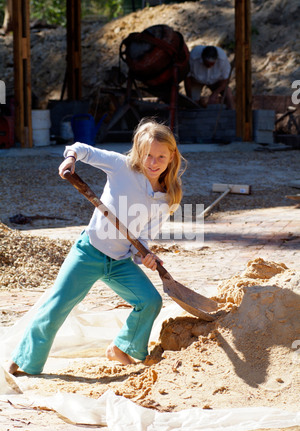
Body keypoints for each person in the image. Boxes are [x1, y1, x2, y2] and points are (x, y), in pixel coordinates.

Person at [8, 118, 185, 375]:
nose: (153, 162)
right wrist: (70, 158)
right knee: (57, 306)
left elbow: (143, 238)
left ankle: (121, 348)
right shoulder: (121, 167)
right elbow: (83, 148)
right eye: (148, 155)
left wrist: (145, 256)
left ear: (171, 157)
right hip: (88, 252)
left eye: (160, 157)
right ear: (138, 151)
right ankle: (27, 360)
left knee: (150, 301)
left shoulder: (167, 198)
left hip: (119, 262)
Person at [184, 45, 234, 109]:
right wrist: (189, 97)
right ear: (202, 58)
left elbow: (226, 80)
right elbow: (187, 78)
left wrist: (215, 94)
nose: (209, 66)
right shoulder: (193, 57)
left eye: (212, 64)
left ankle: (232, 113)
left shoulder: (222, 59)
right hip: (196, 81)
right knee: (192, 103)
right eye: (207, 64)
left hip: (216, 81)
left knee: (228, 94)